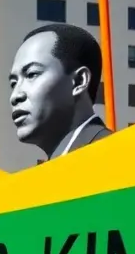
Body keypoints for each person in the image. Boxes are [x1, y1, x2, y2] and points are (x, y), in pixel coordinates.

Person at [9, 23, 112, 161]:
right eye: (13, 83)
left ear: (79, 81)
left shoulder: (115, 157)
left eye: (32, 74)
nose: (15, 96)